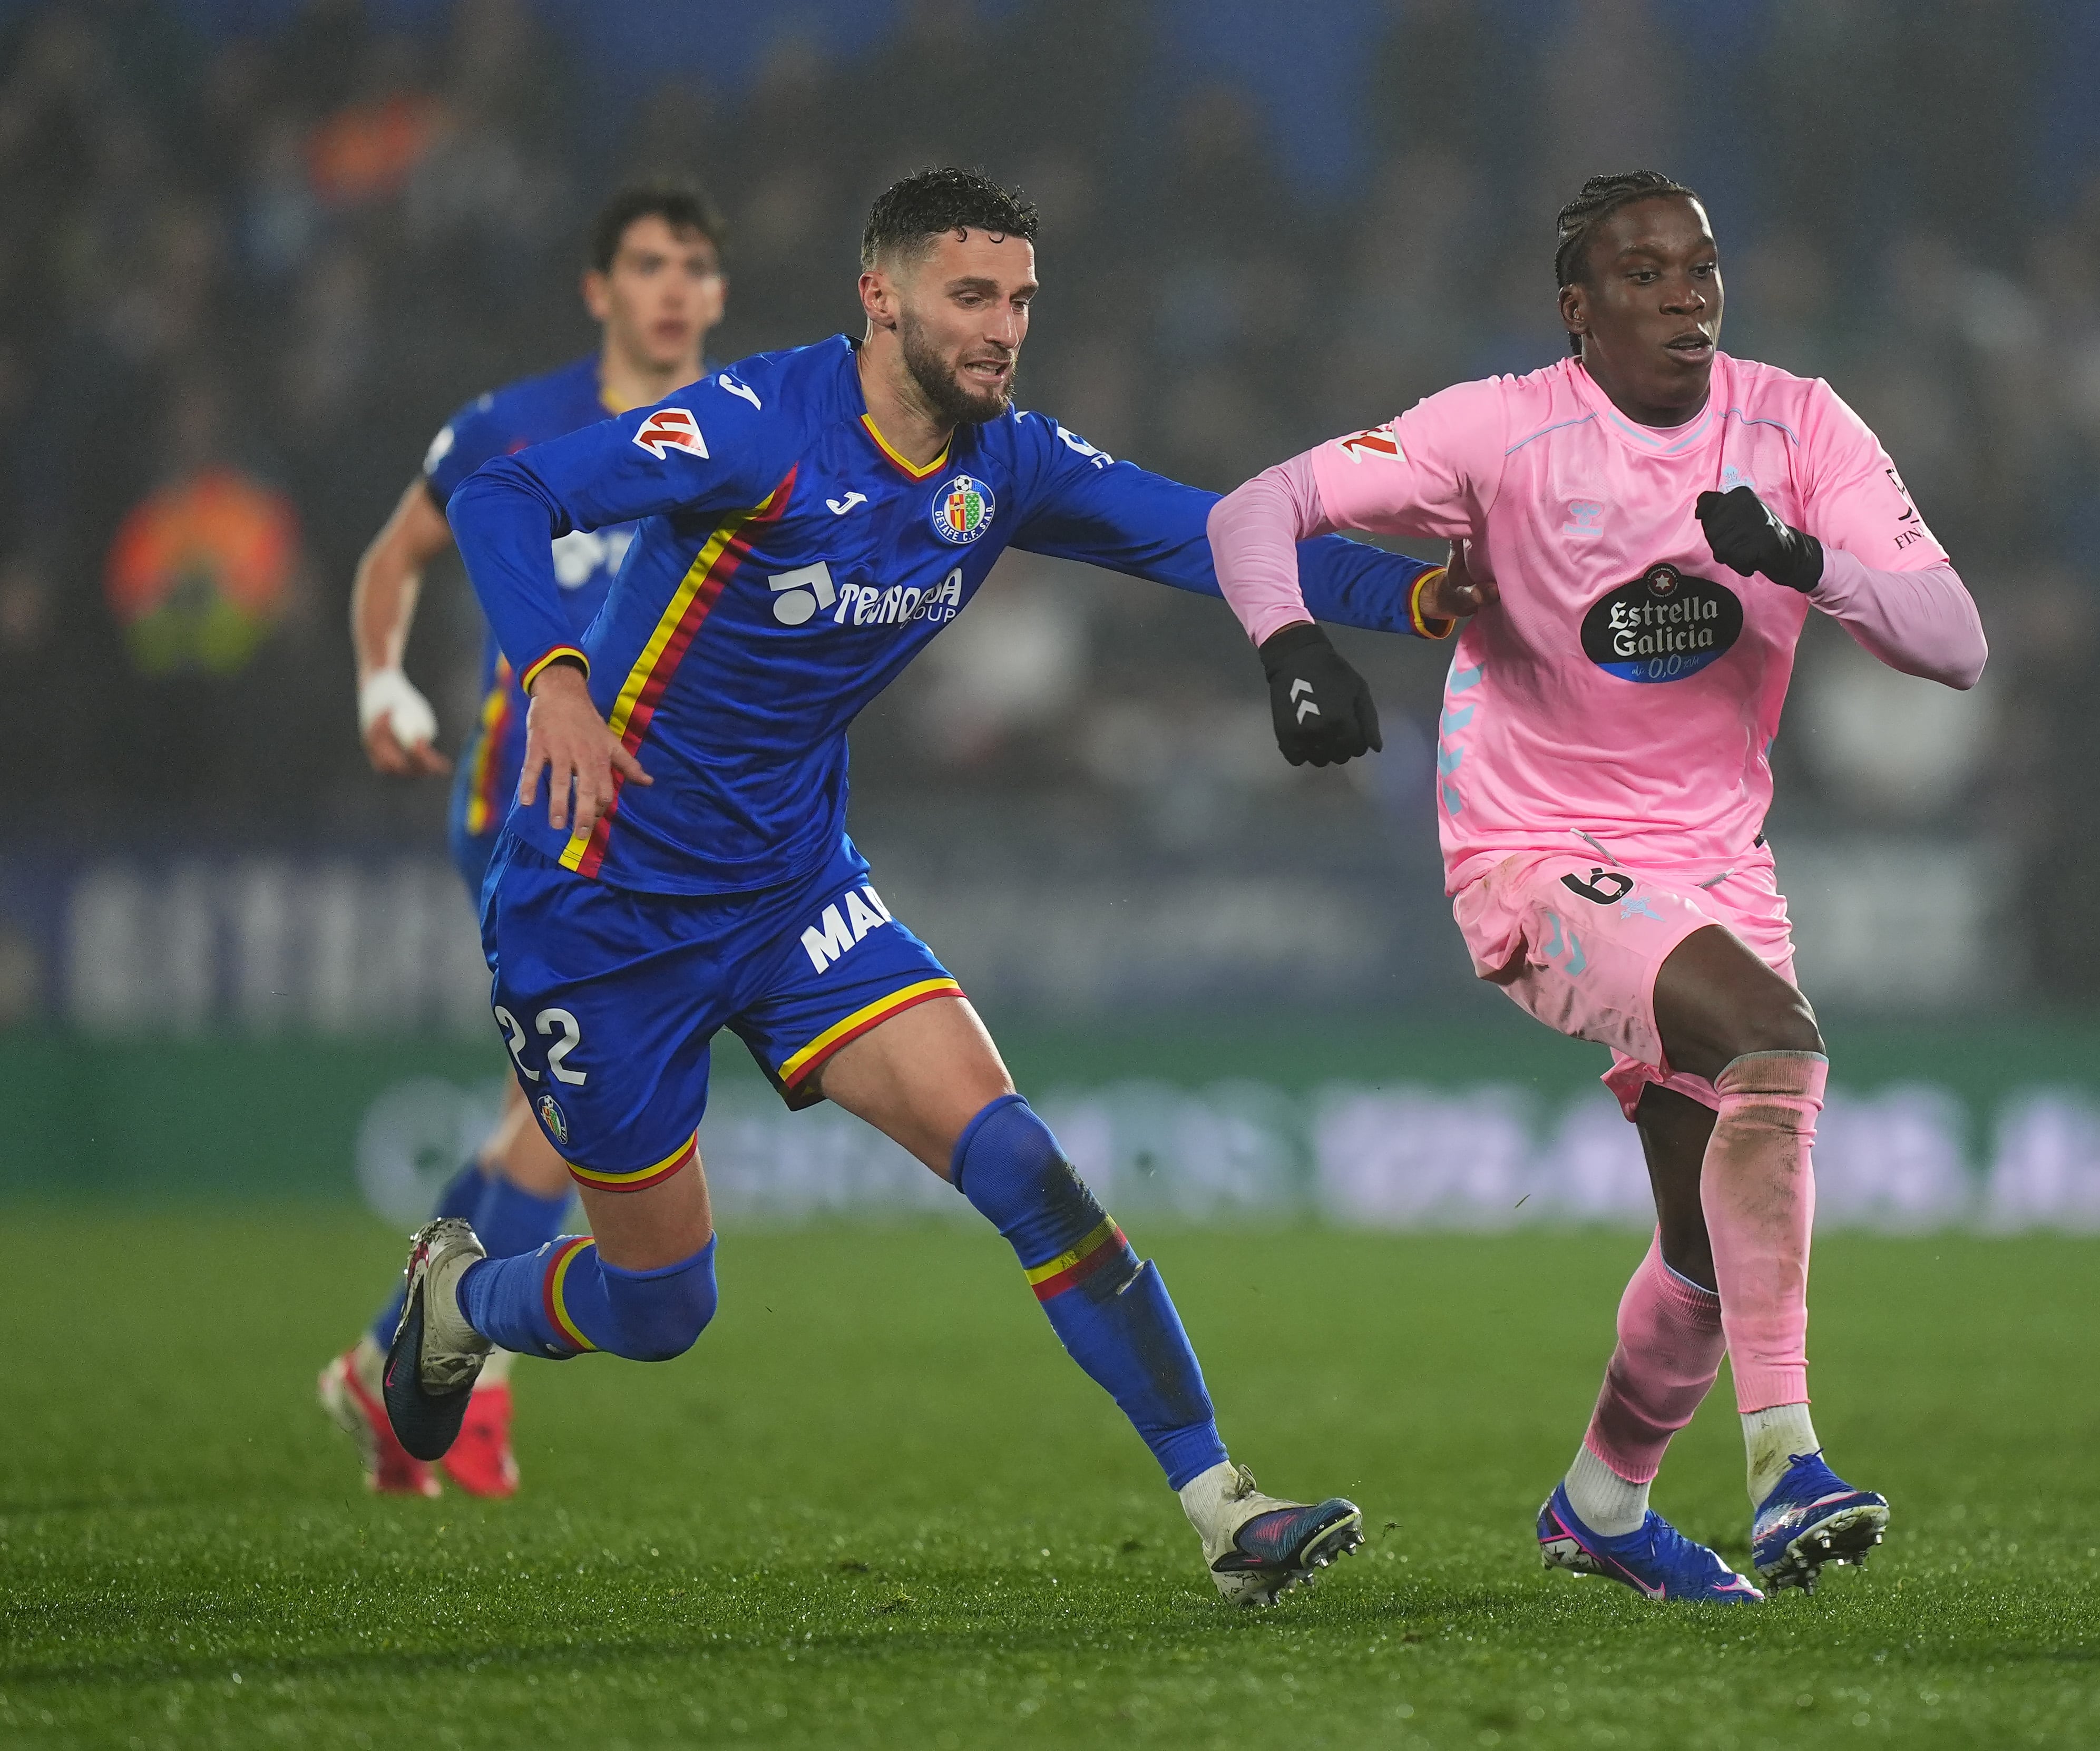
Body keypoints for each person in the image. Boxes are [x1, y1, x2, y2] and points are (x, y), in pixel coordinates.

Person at [382, 167, 1479, 1605]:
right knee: (661, 1304)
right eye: (974, 295)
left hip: (792, 897)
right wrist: (561, 677)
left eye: (1022, 298)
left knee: (1026, 1164)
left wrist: (1413, 596)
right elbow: (505, 489)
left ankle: (1225, 1506)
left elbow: (1209, 530)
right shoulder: (758, 427)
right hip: (600, 913)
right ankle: (461, 1297)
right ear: (880, 295)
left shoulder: (1003, 465)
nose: (1005, 326)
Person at [1205, 171, 1986, 1601]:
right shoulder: (1494, 431)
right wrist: (1292, 640)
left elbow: (1955, 641)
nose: (1684, 295)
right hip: (1530, 849)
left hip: (1715, 867)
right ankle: (1788, 1461)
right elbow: (1259, 507)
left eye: (1700, 268)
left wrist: (1809, 561)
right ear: (1578, 310)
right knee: (1776, 1047)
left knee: (1702, 1243)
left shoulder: (1800, 423)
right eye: (1643, 275)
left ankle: (1603, 1501)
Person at [324, 184, 729, 1499]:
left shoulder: (751, 432)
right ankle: (449, 1382)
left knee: (541, 1116)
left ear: (716, 296)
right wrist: (384, 682)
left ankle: (391, 1363)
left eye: (693, 267)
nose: (672, 287)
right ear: (597, 289)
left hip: (668, 827)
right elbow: (395, 557)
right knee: (562, 1126)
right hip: (525, 812)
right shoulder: (516, 425)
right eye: (647, 264)